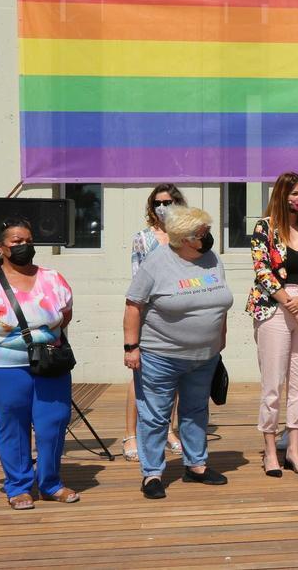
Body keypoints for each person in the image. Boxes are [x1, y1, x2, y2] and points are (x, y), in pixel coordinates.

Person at [0, 217, 78, 510]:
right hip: (1, 371)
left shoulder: (53, 278)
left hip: (49, 366)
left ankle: (50, 484)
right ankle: (18, 486)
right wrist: (1, 350)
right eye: (17, 242)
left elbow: (65, 316)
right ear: (1, 247)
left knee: (53, 423)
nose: (24, 246)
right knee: (14, 426)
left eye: (28, 241)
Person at [124, 206, 233, 498]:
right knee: (156, 415)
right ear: (184, 239)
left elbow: (220, 299)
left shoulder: (211, 259)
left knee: (196, 410)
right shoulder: (156, 263)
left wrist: (220, 337)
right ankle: (152, 474)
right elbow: (134, 305)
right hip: (161, 355)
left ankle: (195, 465)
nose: (208, 237)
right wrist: (131, 347)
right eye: (202, 233)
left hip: (204, 356)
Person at [246, 172, 298, 476]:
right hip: (274, 308)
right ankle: (269, 451)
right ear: (281, 194)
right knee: (273, 383)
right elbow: (262, 270)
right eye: (294, 193)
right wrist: (290, 303)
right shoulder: (264, 227)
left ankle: (293, 447)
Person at [123, 184, 186, 462]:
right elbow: (137, 280)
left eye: (169, 201)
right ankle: (130, 435)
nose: (164, 207)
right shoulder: (143, 238)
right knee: (139, 375)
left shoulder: (185, 236)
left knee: (174, 375)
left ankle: (169, 430)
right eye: (159, 202)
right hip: (149, 315)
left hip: (178, 316)